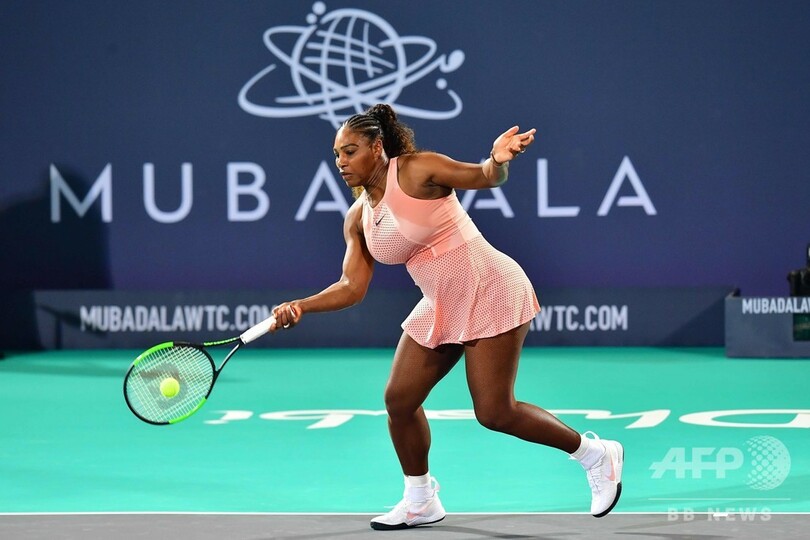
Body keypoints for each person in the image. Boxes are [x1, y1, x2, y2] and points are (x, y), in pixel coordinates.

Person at [269, 104, 624, 530]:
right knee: (399, 400)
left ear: (377, 147)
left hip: (489, 286)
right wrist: (301, 305)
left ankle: (595, 455)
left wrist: (497, 161)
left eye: (350, 151)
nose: (341, 162)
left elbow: (485, 177)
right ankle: (420, 499)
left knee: (495, 412)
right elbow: (351, 286)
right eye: (337, 155)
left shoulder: (417, 170)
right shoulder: (358, 217)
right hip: (440, 301)